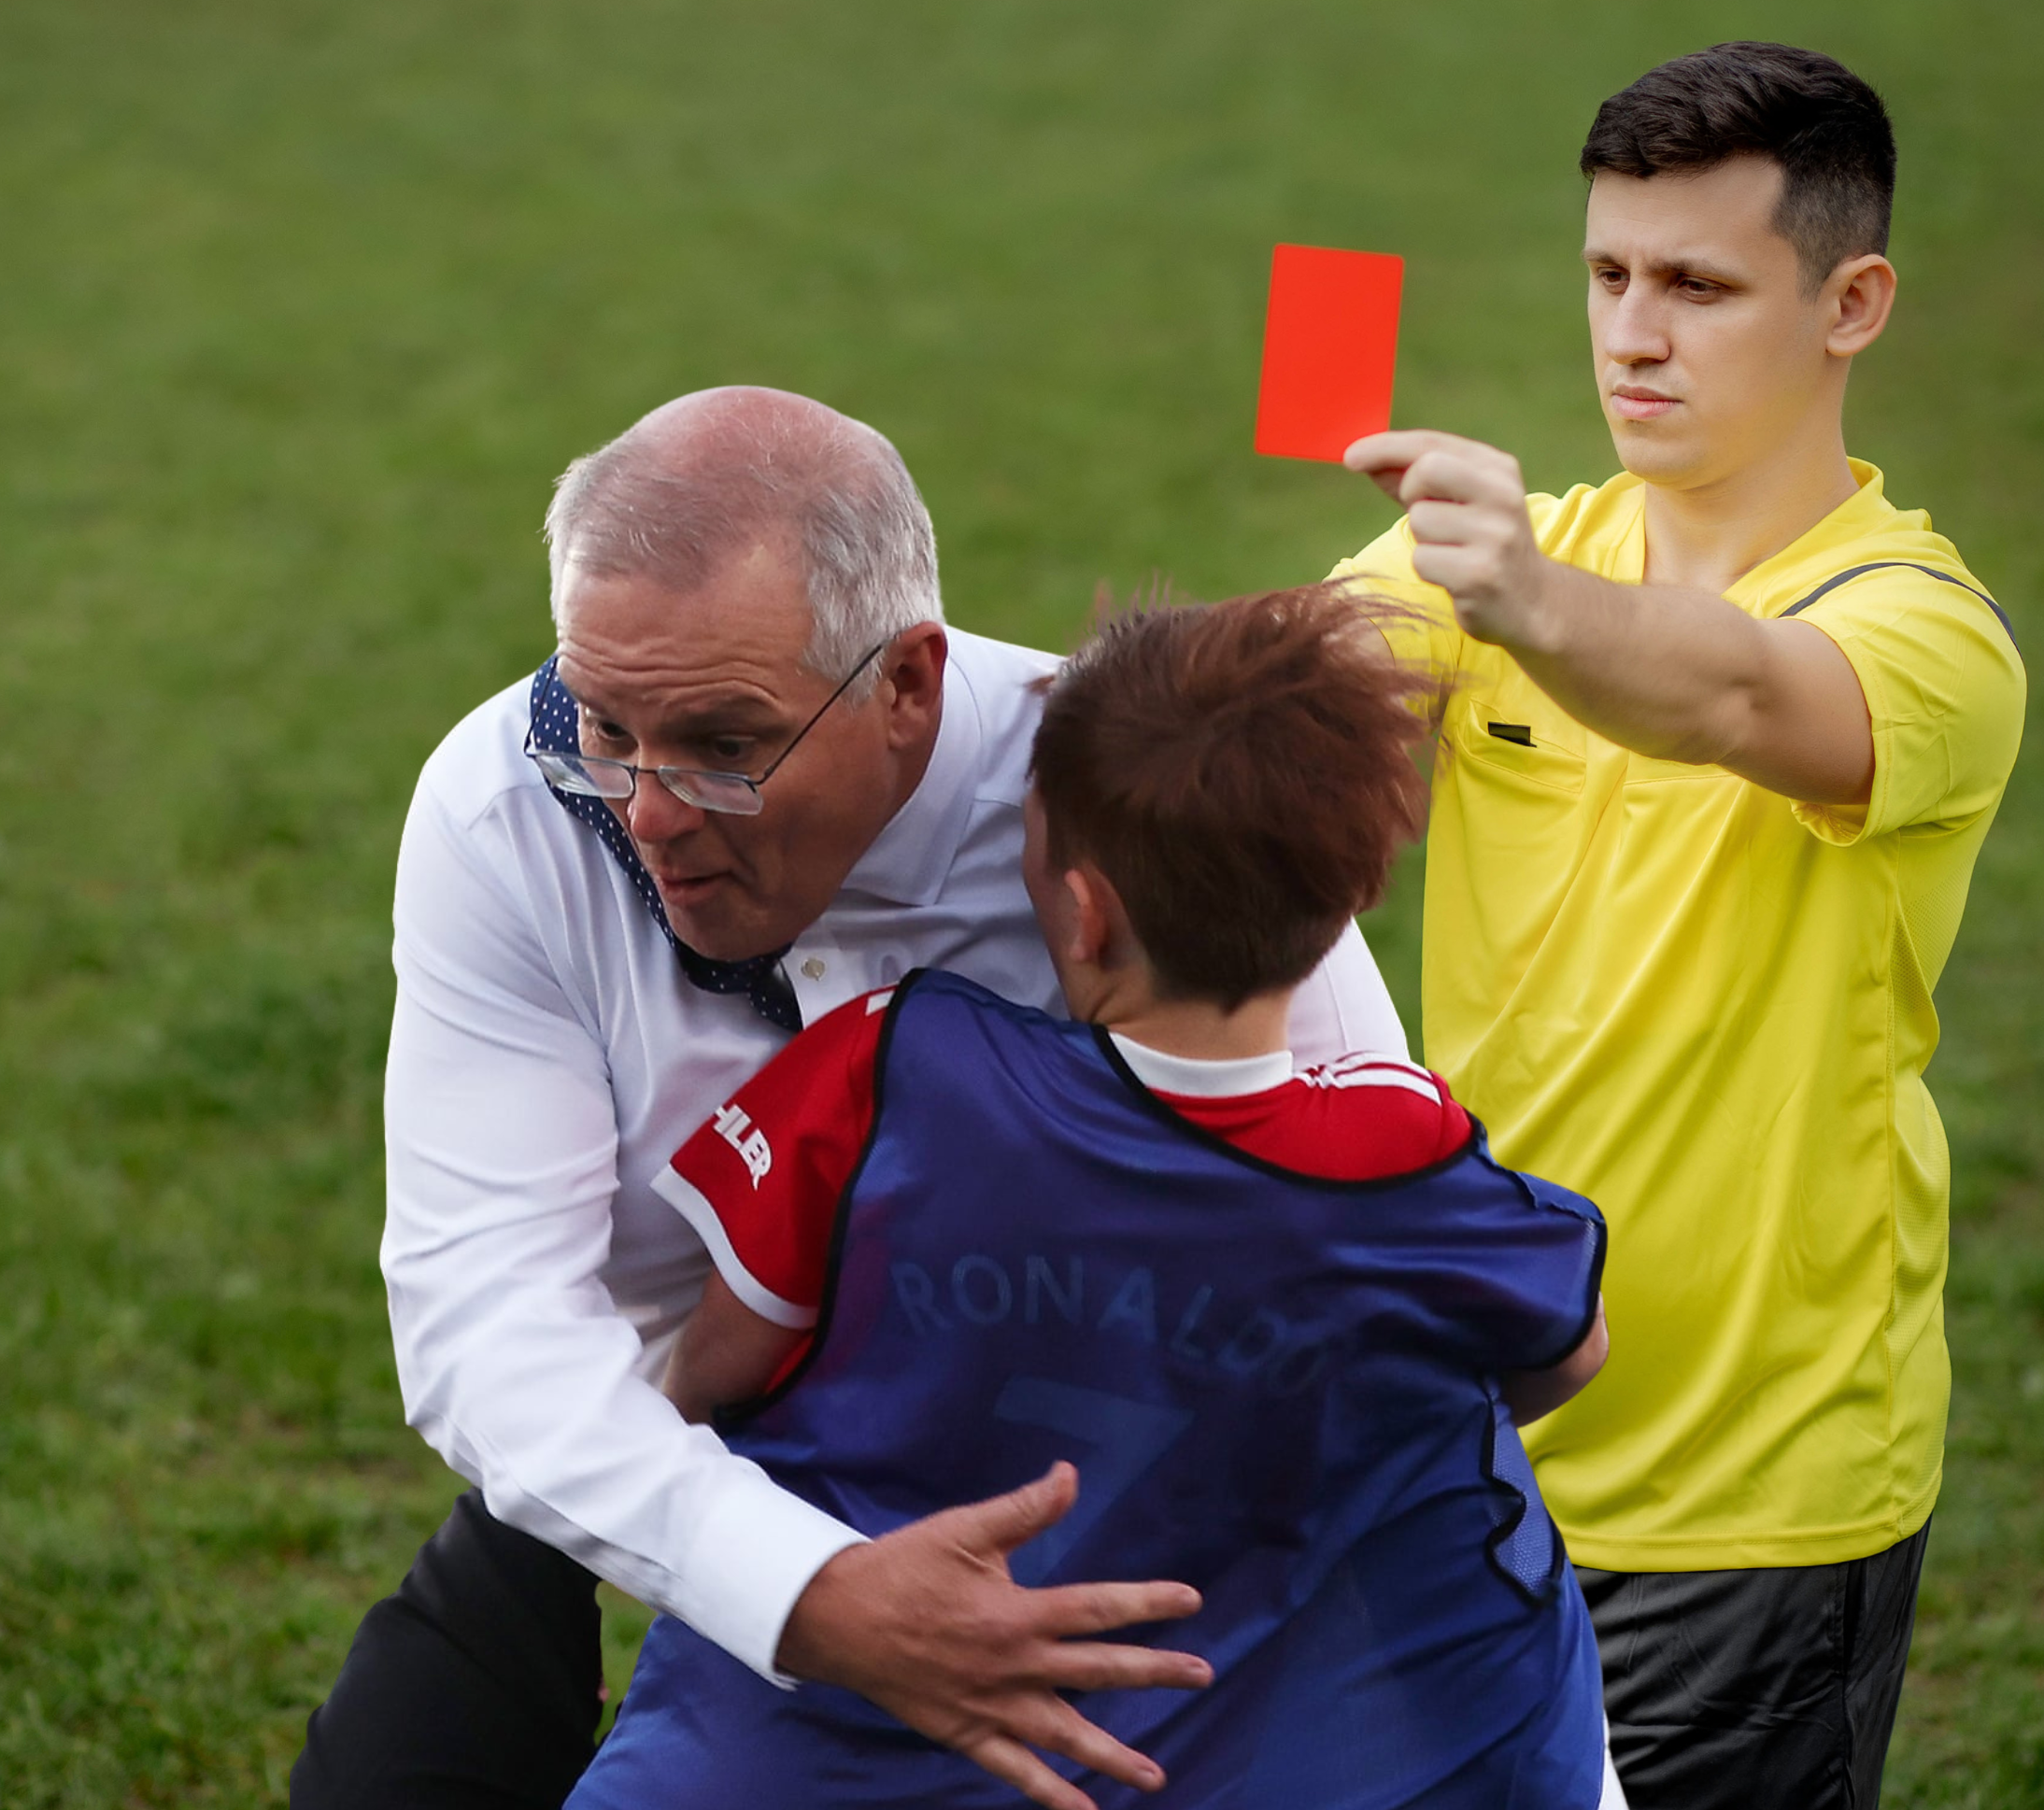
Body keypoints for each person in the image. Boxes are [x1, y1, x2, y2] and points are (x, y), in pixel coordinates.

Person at [292, 387, 1411, 1809]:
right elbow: (485, 1318)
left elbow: (1363, 1212)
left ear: (909, 686)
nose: (646, 810)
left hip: (1125, 1491)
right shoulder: (507, 809)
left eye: (723, 743)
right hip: (669, 1445)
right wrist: (805, 1588)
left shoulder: (1146, 805)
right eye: (605, 722)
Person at [564, 584, 1626, 1810]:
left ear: (1079, 907)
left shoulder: (889, 1064)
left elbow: (722, 1362)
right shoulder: (1406, 1153)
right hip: (1223, 1723)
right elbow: (1563, 1352)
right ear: (1344, 905)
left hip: (880, 1718)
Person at [1331, 41, 2025, 1810]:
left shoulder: (1928, 636)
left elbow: (1734, 697)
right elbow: (1232, 721)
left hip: (1756, 1507)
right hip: (1465, 1454)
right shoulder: (1486, 567)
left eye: (1699, 287)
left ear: (1851, 301)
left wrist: (1531, 600)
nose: (1633, 334)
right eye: (1609, 274)